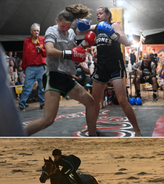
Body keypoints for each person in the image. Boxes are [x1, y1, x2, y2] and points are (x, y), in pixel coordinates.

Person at [24, 5, 97, 136]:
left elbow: (75, 53)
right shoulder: (51, 31)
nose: (65, 29)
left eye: (68, 27)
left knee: (90, 102)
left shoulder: (71, 33)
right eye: (63, 26)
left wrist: (85, 45)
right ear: (57, 20)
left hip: (66, 76)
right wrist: (69, 54)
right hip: (54, 75)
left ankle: (93, 136)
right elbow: (50, 51)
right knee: (48, 120)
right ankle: (16, 135)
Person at [78, 6, 142, 137]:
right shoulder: (96, 27)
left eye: (101, 13)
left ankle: (137, 129)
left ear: (108, 15)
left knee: (122, 100)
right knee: (95, 101)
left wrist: (111, 33)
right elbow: (78, 31)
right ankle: (91, 127)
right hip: (101, 66)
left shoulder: (114, 26)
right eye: (97, 14)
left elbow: (126, 42)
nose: (98, 15)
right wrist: (83, 25)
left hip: (115, 65)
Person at [19, 23, 46, 111]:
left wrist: (42, 50)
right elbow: (24, 55)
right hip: (30, 67)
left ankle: (42, 104)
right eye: (34, 30)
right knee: (27, 87)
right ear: (31, 31)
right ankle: (22, 105)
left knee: (41, 87)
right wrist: (23, 67)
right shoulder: (27, 41)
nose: (36, 32)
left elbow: (46, 53)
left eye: (37, 30)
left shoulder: (42, 39)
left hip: (41, 67)